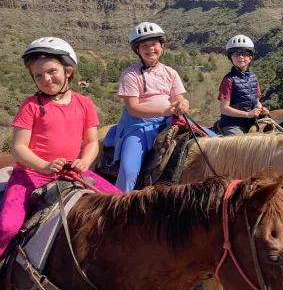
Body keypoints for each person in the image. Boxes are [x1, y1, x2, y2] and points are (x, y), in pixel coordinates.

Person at [0, 37, 121, 259]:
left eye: (51, 71)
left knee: (122, 203)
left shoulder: (84, 103)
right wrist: (44, 166)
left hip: (71, 171)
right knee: (7, 226)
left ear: (68, 71)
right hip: (30, 175)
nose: (45, 79)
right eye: (38, 75)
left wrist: (85, 161)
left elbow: (92, 142)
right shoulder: (31, 106)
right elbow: (19, 148)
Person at [112, 22, 189, 192]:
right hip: (138, 126)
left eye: (154, 44)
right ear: (137, 50)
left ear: (162, 46)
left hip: (168, 121)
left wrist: (182, 104)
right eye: (144, 45)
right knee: (129, 170)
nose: (150, 49)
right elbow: (133, 108)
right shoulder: (130, 75)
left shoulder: (171, 73)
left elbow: (179, 98)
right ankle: (117, 202)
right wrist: (165, 110)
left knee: (211, 139)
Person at [217, 35, 268, 136]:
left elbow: (256, 101)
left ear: (250, 57)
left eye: (244, 54)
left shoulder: (253, 77)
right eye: (236, 54)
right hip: (233, 125)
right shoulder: (228, 80)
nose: (240, 57)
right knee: (239, 148)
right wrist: (247, 114)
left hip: (252, 122)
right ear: (230, 57)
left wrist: (262, 109)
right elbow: (224, 108)